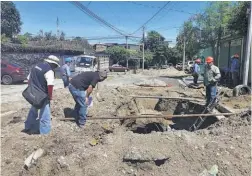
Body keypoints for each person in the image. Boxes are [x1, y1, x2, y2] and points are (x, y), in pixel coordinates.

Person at [24, 55, 60, 134]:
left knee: (33, 110)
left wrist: (32, 90)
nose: (55, 68)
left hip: (33, 94)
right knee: (45, 114)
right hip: (42, 96)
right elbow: (50, 85)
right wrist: (50, 97)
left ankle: (28, 127)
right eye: (55, 66)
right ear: (53, 64)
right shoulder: (49, 71)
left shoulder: (35, 66)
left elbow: (28, 79)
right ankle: (45, 132)